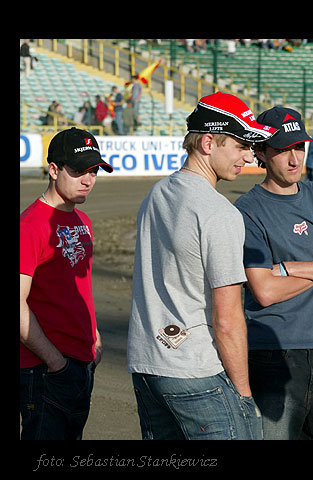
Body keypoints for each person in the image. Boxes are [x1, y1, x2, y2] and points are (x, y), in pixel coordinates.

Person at [127, 92, 276, 440]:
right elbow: (227, 319)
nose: (248, 157)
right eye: (240, 145)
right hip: (194, 366)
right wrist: (243, 393)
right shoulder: (219, 212)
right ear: (208, 142)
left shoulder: (157, 194)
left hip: (147, 362)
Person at [234, 106, 313, 440]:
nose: (294, 160)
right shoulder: (247, 210)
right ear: (259, 151)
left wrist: (288, 268)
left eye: (299, 148)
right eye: (282, 150)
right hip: (273, 352)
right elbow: (265, 292)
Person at [20, 127, 114, 440]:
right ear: (53, 169)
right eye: (78, 171)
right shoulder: (30, 226)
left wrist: (95, 338)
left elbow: (79, 288)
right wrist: (55, 361)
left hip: (82, 361)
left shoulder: (81, 219)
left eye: (94, 171)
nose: (88, 179)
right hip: (45, 369)